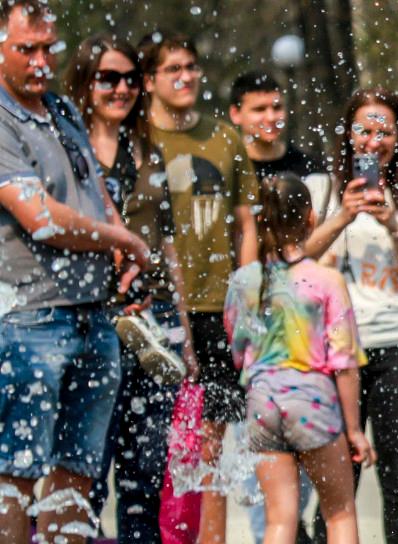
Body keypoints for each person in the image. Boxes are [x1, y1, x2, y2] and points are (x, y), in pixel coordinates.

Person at [0, 2, 152, 541]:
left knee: (76, 477)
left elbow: (95, 196)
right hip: (28, 321)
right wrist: (126, 238)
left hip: (93, 321)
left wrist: (122, 253)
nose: (41, 62)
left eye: (49, 49)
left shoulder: (62, 110)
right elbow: (39, 217)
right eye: (26, 49)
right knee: (15, 476)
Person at [64, 32, 199, 543]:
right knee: (88, 474)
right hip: (93, 323)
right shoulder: (65, 148)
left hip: (154, 326)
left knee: (144, 478)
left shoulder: (152, 151)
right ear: (85, 82)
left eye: (128, 79)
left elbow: (170, 248)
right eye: (107, 78)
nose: (120, 89)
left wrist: (185, 334)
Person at [300, 88, 398, 543]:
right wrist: (341, 217)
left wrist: (395, 226)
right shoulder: (320, 191)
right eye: (364, 129)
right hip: (336, 356)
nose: (373, 140)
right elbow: (296, 260)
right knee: (337, 481)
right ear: (348, 136)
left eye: (385, 131)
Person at [138, 30, 259, 543]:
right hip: (156, 309)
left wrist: (246, 294)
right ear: (149, 81)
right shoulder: (138, 137)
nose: (185, 76)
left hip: (216, 309)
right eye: (172, 69)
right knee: (155, 446)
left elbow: (246, 223)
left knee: (212, 448)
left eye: (190, 66)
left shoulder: (223, 138)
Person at [223, 174, 374, 544]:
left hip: (262, 404)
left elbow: (238, 350)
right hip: (312, 404)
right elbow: (345, 362)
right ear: (310, 219)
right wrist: (354, 430)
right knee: (339, 512)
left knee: (278, 520)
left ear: (261, 220)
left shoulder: (244, 281)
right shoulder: (325, 280)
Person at [229, 71, 325, 179]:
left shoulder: (309, 168)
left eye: (277, 107)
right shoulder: (226, 169)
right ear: (235, 114)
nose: (271, 117)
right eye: (259, 109)